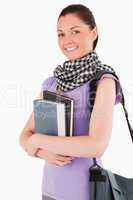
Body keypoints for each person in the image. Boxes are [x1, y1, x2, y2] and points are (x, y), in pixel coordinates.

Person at [19, 4, 122, 200]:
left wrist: (38, 142)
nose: (67, 40)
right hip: (49, 190)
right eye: (61, 34)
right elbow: (24, 136)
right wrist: (42, 153)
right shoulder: (52, 82)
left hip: (84, 191)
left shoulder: (103, 82)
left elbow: (96, 145)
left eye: (75, 31)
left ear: (94, 32)